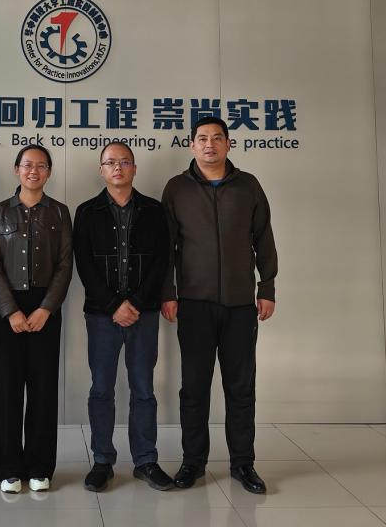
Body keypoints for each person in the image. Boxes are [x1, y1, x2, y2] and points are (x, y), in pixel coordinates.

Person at [161, 116, 278, 494]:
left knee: (241, 388)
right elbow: (166, 246)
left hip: (240, 305)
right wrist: (168, 292)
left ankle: (243, 464)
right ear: (192, 145)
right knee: (194, 388)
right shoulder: (177, 188)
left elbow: (263, 237)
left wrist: (267, 287)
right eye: (202, 138)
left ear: (228, 144)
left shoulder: (248, 185)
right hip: (193, 304)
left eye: (216, 138)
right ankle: (193, 462)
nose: (209, 144)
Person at [73, 141, 175, 492]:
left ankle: (145, 460)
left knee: (143, 388)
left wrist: (136, 302)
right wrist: (114, 305)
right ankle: (103, 461)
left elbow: (162, 260)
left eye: (125, 162)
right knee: (101, 388)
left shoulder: (154, 210)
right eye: (110, 162)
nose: (118, 167)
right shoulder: (87, 212)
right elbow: (84, 264)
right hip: (102, 315)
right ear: (101, 169)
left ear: (134, 168)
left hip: (144, 314)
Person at [0, 144, 73, 494]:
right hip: (9, 309)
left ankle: (39, 467)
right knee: (7, 389)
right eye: (27, 165)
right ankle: (8, 468)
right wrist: (10, 310)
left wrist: (46, 308)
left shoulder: (60, 212)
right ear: (16, 170)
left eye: (41, 166)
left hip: (45, 308)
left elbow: (65, 264)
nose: (33, 171)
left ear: (49, 172)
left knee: (43, 388)